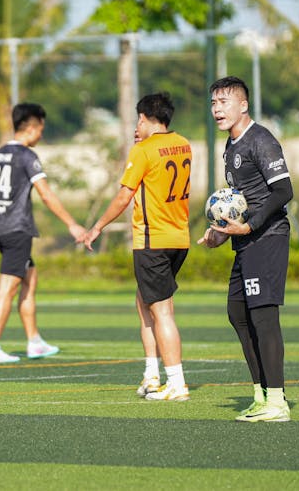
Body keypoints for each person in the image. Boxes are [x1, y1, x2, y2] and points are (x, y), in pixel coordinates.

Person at [81, 92, 193, 401]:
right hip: (178, 238)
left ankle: (176, 382)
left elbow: (123, 195)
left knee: (162, 311)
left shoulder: (143, 150)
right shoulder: (184, 143)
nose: (136, 126)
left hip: (152, 240)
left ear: (144, 118)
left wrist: (97, 227)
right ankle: (151, 374)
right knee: (144, 303)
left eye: (137, 120)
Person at [198, 75, 293, 422]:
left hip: (267, 237)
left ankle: (277, 401)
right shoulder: (231, 146)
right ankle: (261, 393)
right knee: (237, 313)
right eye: (213, 103)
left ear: (243, 105)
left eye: (224, 102)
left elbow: (283, 192)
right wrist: (224, 232)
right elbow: (240, 203)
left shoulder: (261, 141)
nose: (217, 109)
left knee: (263, 316)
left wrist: (250, 225)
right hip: (245, 240)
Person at [0, 103, 86, 363]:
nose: (42, 135)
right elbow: (46, 194)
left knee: (30, 279)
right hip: (17, 229)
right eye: (41, 129)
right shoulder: (27, 156)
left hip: (3, 229)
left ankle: (34, 342)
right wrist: (71, 224)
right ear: (33, 127)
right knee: (8, 287)